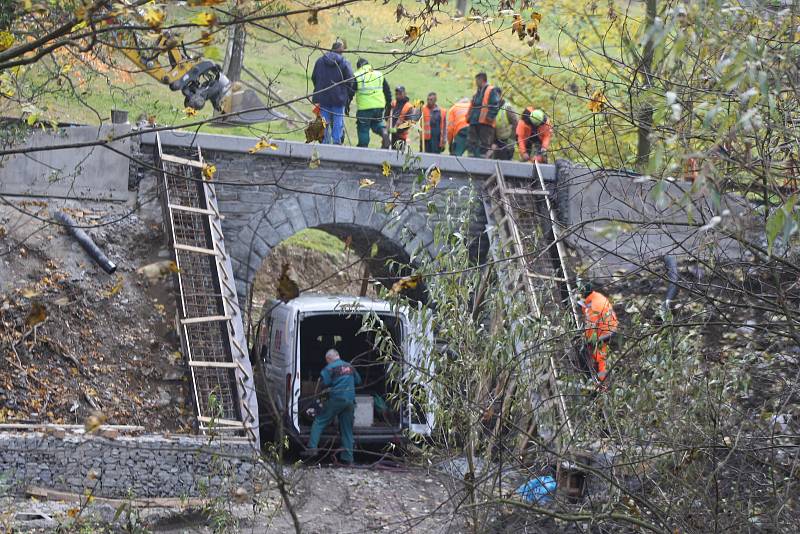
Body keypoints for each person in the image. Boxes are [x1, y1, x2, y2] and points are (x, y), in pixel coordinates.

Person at [303, 348, 362, 464]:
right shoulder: (350, 367)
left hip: (336, 399)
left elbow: (323, 384)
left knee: (319, 420)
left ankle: (312, 448)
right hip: (350, 400)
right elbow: (358, 381)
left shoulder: (329, 368)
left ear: (328, 359)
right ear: (338, 356)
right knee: (347, 429)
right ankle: (348, 458)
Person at [311, 41, 356, 145]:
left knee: (324, 120)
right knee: (338, 121)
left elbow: (314, 77)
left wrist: (319, 89)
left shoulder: (320, 61)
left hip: (323, 96)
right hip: (339, 98)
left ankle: (325, 142)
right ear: (341, 51)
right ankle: (336, 142)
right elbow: (350, 80)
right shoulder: (344, 62)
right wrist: (346, 93)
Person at [578, 283, 618, 384]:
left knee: (588, 352)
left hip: (604, 332)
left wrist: (587, 341)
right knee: (598, 353)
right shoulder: (596, 296)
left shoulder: (593, 306)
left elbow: (591, 326)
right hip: (609, 326)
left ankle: (597, 382)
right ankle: (601, 378)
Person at [353, 58, 391, 148]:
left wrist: (346, 103)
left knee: (363, 127)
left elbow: (351, 91)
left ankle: (363, 146)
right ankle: (384, 132)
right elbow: (387, 90)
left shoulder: (357, 75)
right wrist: (388, 104)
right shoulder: (378, 74)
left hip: (364, 107)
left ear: (358, 66)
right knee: (376, 123)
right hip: (379, 106)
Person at [467, 72, 501, 158]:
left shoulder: (491, 90)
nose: (476, 82)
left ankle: (483, 163)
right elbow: (473, 105)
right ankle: (471, 160)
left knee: (484, 144)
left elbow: (495, 104)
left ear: (482, 80)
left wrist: (490, 116)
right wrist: (469, 117)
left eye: (477, 80)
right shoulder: (477, 93)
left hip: (485, 123)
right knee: (472, 143)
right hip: (475, 121)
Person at [490, 92, 518, 160]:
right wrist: (494, 142)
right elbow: (494, 127)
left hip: (508, 141)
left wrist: (511, 140)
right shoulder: (493, 109)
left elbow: (515, 123)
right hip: (498, 142)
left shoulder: (507, 108)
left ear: (500, 96)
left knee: (506, 163)